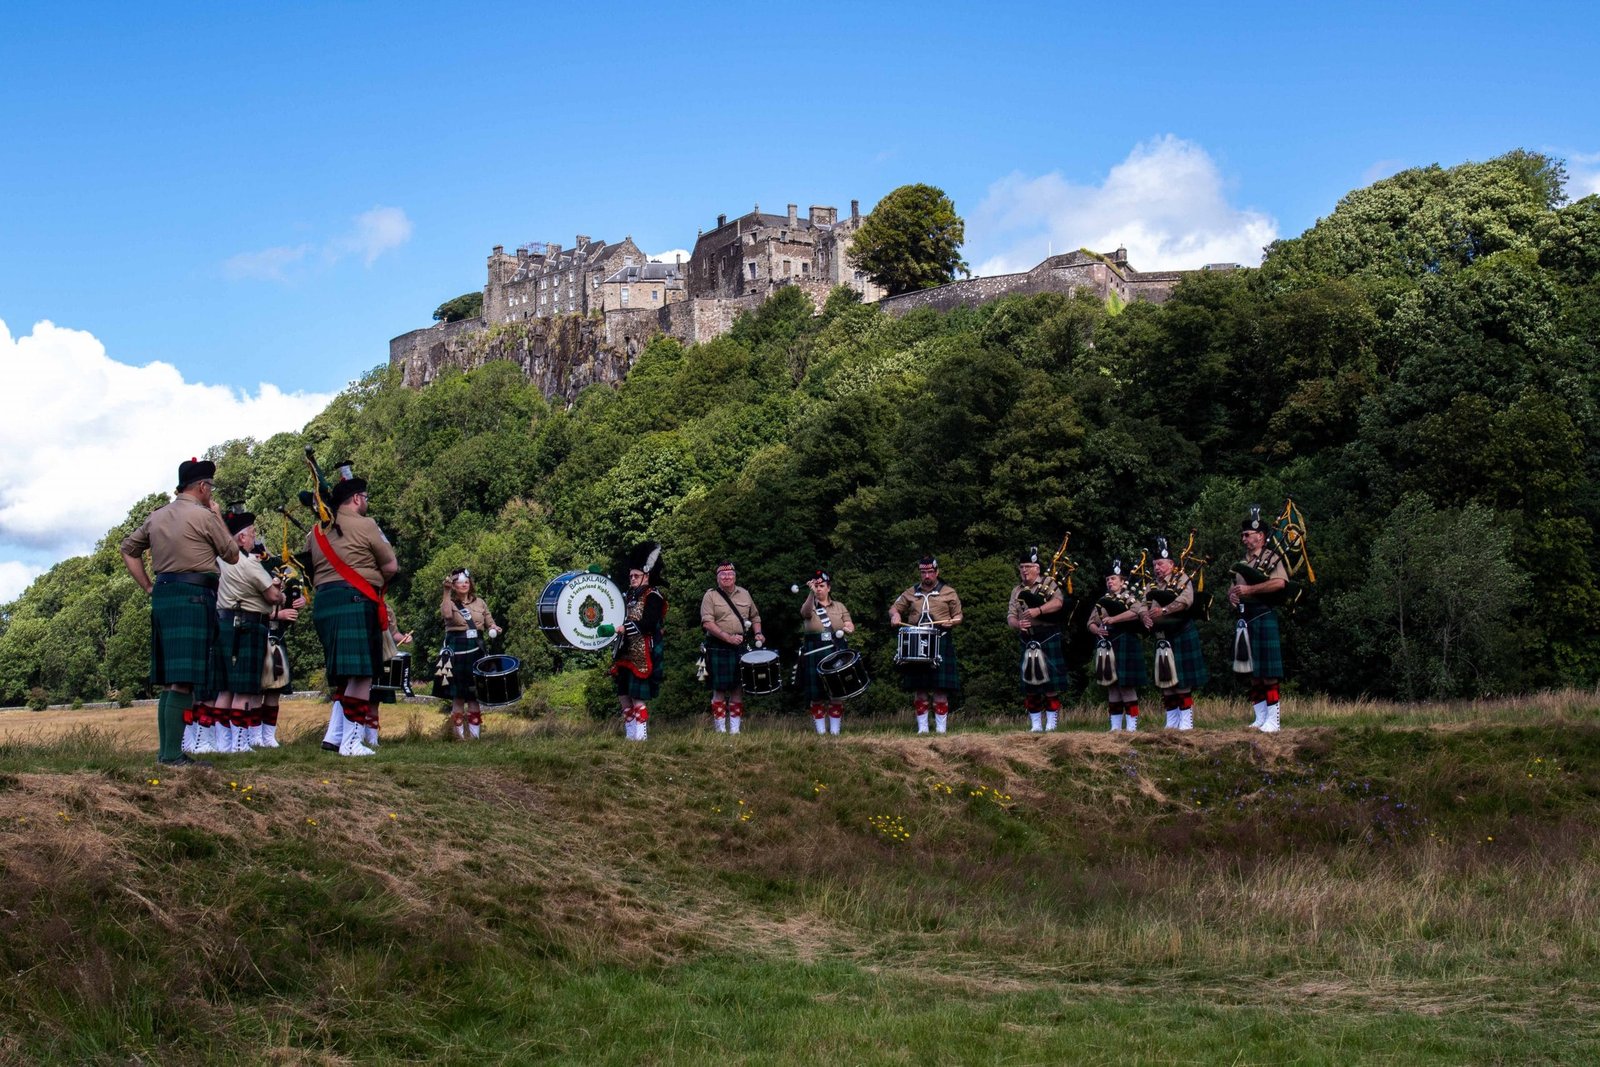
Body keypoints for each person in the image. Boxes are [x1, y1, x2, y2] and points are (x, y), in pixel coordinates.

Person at [119, 457, 240, 767]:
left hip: (164, 595)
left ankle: (167, 753)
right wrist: (218, 517)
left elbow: (128, 550)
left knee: (171, 679)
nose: (211, 494)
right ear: (201, 487)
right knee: (184, 680)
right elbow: (232, 554)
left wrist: (147, 586)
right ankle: (172, 755)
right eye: (210, 488)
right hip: (194, 597)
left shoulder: (156, 516)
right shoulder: (204, 516)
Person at [306, 470, 398, 757]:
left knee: (345, 675)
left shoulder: (316, 530)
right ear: (357, 498)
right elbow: (391, 567)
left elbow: (308, 567)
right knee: (361, 675)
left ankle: (334, 737)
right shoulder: (366, 524)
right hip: (356, 600)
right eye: (365, 497)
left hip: (325, 603)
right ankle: (352, 742)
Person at [207, 505, 292, 753]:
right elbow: (274, 596)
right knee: (244, 690)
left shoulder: (219, 562)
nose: (255, 537)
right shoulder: (249, 564)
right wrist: (279, 590)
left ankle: (224, 744)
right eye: (252, 533)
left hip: (223, 624)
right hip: (248, 626)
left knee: (224, 690)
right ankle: (240, 744)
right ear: (241, 538)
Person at [1230, 506, 1290, 733]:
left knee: (1267, 672)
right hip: (1245, 620)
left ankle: (1274, 721)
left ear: (1261, 536)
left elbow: (1279, 583)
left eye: (1247, 535)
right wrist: (1232, 596)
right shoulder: (1242, 563)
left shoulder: (1272, 558)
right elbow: (1236, 589)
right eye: (1243, 535)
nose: (1244, 538)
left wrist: (1250, 589)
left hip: (1264, 615)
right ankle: (1260, 718)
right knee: (1253, 672)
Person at [889, 556, 963, 734]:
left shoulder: (949, 592)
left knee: (940, 689)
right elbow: (894, 607)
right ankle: (922, 729)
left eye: (930, 572)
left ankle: (941, 730)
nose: (927, 575)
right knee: (920, 688)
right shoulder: (911, 592)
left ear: (937, 572)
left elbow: (959, 616)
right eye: (923, 572)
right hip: (917, 640)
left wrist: (952, 622)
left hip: (940, 638)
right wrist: (895, 615)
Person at [1142, 537, 1208, 730]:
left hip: (1181, 633)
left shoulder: (1182, 579)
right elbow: (1141, 605)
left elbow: (1186, 600)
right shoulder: (1151, 586)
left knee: (1182, 680)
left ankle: (1186, 722)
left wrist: (1163, 611)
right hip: (1162, 636)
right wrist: (1144, 616)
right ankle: (1171, 722)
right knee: (1166, 680)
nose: (1157, 568)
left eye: (1160, 564)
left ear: (1171, 564)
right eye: (1154, 565)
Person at [1006, 547, 1069, 732]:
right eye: (1022, 567)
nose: (1024, 570)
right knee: (1030, 684)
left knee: (1050, 683)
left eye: (1028, 566)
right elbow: (1010, 615)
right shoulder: (1016, 590)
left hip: (1047, 635)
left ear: (1037, 569)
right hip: (1027, 637)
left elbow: (1059, 603)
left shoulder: (1049, 583)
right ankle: (1035, 725)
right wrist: (1017, 624)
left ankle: (1051, 724)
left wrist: (1038, 610)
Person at [610, 543, 667, 741]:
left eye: (636, 576)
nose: (632, 579)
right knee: (624, 695)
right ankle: (630, 735)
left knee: (637, 697)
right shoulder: (626, 597)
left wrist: (625, 628)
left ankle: (641, 737)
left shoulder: (654, 596)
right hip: (624, 651)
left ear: (646, 574)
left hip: (644, 652)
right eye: (630, 576)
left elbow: (649, 623)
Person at [437, 568, 501, 740]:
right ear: (454, 585)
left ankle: (474, 737)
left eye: (466, 582)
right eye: (459, 583)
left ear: (470, 584)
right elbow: (446, 615)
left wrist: (494, 627)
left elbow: (489, 621)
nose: (463, 585)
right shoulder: (448, 601)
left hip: (476, 649)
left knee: (474, 696)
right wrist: (446, 591)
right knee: (458, 696)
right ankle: (458, 737)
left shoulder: (480, 602)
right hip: (456, 649)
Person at [700, 561, 763, 733]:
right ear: (718, 578)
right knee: (719, 689)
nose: (727, 577)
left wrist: (758, 633)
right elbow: (707, 623)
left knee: (738, 688)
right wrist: (727, 638)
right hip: (717, 646)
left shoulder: (745, 594)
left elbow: (755, 617)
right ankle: (720, 730)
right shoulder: (711, 596)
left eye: (730, 574)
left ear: (734, 576)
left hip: (739, 647)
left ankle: (735, 731)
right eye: (723, 575)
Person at [1088, 559, 1149, 731]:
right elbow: (1091, 622)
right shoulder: (1103, 600)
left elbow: (1136, 612)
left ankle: (1131, 727)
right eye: (1108, 579)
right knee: (1112, 685)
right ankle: (1115, 727)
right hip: (1107, 644)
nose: (1110, 582)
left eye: (1113, 579)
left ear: (1122, 581)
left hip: (1126, 642)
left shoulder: (1129, 597)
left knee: (1126, 684)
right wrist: (1096, 630)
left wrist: (1114, 619)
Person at [797, 570, 856, 735]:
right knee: (816, 695)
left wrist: (848, 628)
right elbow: (805, 613)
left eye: (822, 586)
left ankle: (835, 732)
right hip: (814, 649)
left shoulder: (839, 606)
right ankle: (821, 732)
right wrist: (811, 593)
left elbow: (849, 624)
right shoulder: (810, 604)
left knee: (836, 692)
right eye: (816, 586)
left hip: (836, 648)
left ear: (828, 588)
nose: (819, 589)